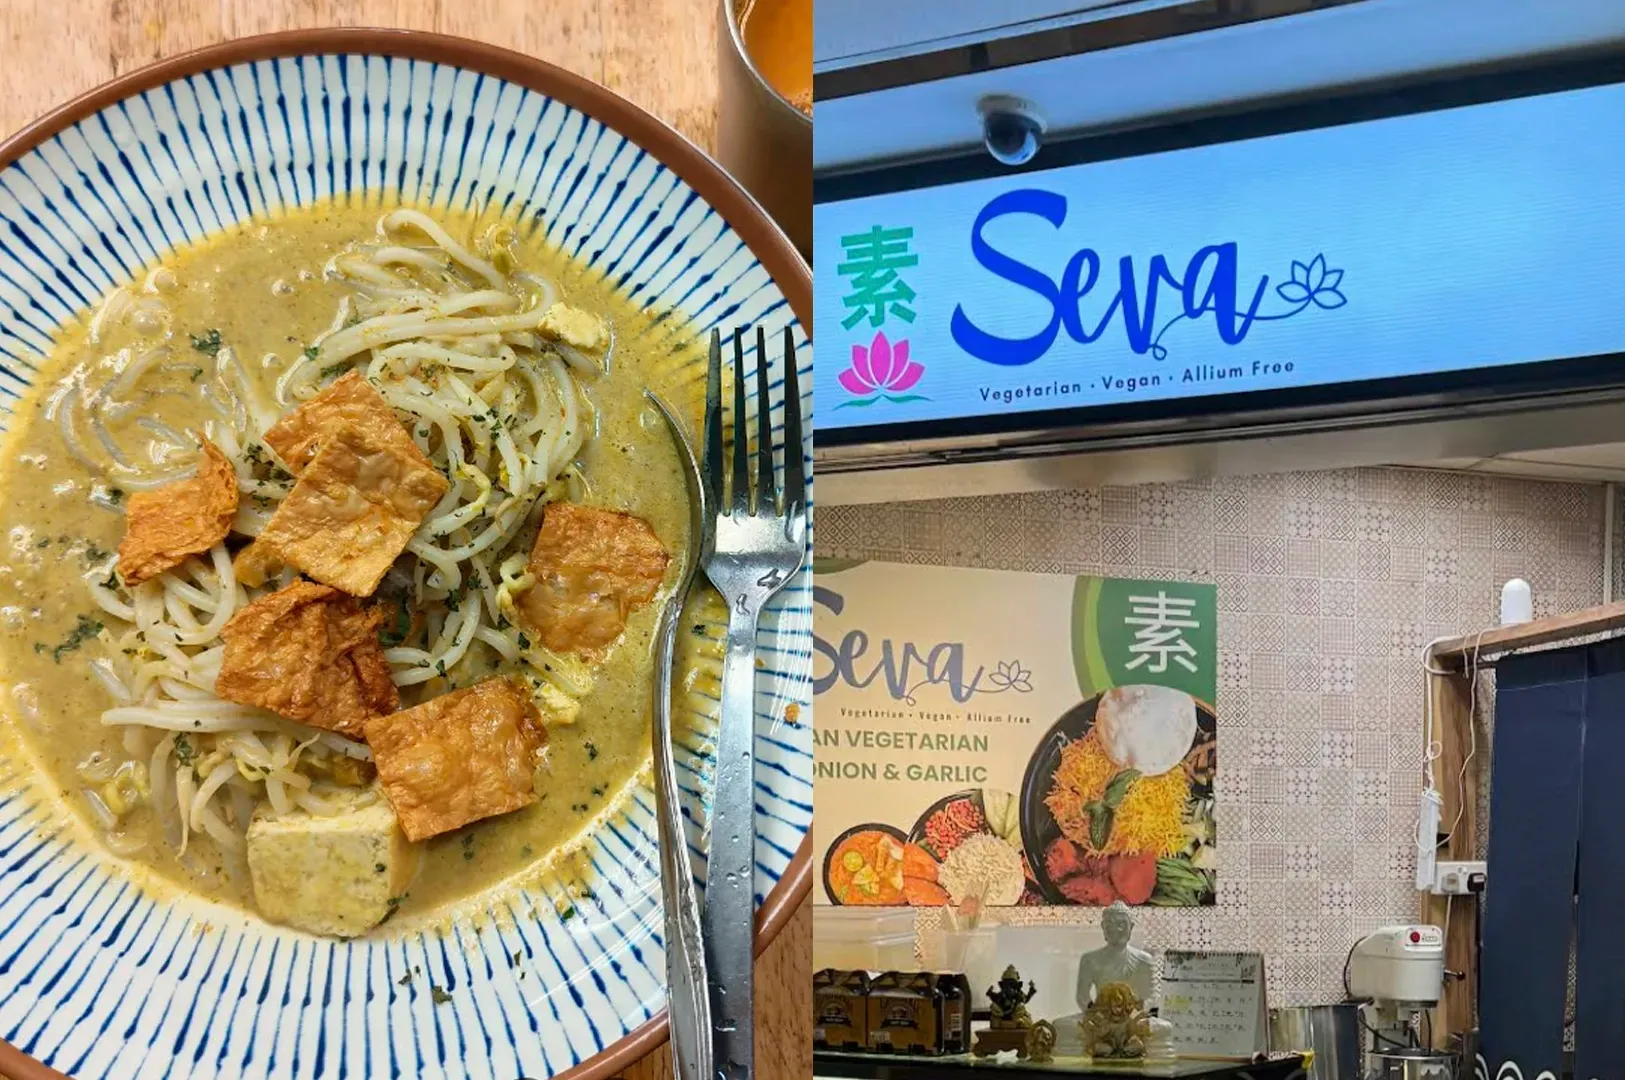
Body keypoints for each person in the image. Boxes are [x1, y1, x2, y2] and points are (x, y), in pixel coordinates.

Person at [1075, 902, 1155, 1009]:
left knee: (1162, 1025)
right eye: (1110, 924)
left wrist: (1133, 1014)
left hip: (1132, 1017)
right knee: (1062, 1023)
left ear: (1131, 927)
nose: (1117, 929)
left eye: (1122, 924)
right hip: (1101, 1016)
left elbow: (1149, 997)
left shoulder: (1144, 960)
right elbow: (1082, 996)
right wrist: (1095, 1014)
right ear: (1103, 927)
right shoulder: (1089, 960)